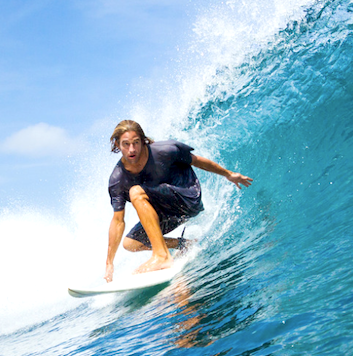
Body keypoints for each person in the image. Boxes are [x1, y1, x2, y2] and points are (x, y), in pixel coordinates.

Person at [105, 120, 253, 282]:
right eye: (126, 144)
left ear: (143, 140)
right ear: (117, 145)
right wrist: (109, 262)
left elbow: (197, 161)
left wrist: (228, 174)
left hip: (187, 198)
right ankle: (183, 244)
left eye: (136, 143)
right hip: (166, 212)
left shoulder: (164, 151)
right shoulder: (118, 179)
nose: (132, 149)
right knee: (131, 243)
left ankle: (162, 256)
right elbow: (118, 221)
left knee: (135, 191)